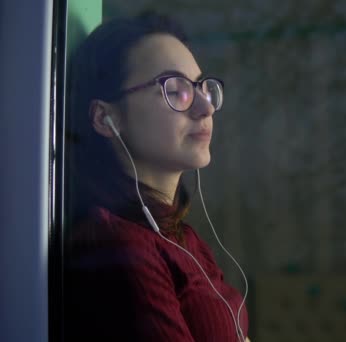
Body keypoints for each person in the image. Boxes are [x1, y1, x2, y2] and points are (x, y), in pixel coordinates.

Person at [64, 13, 250, 342]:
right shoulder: (117, 248)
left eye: (202, 88)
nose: (205, 108)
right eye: (176, 89)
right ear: (106, 118)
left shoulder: (183, 239)